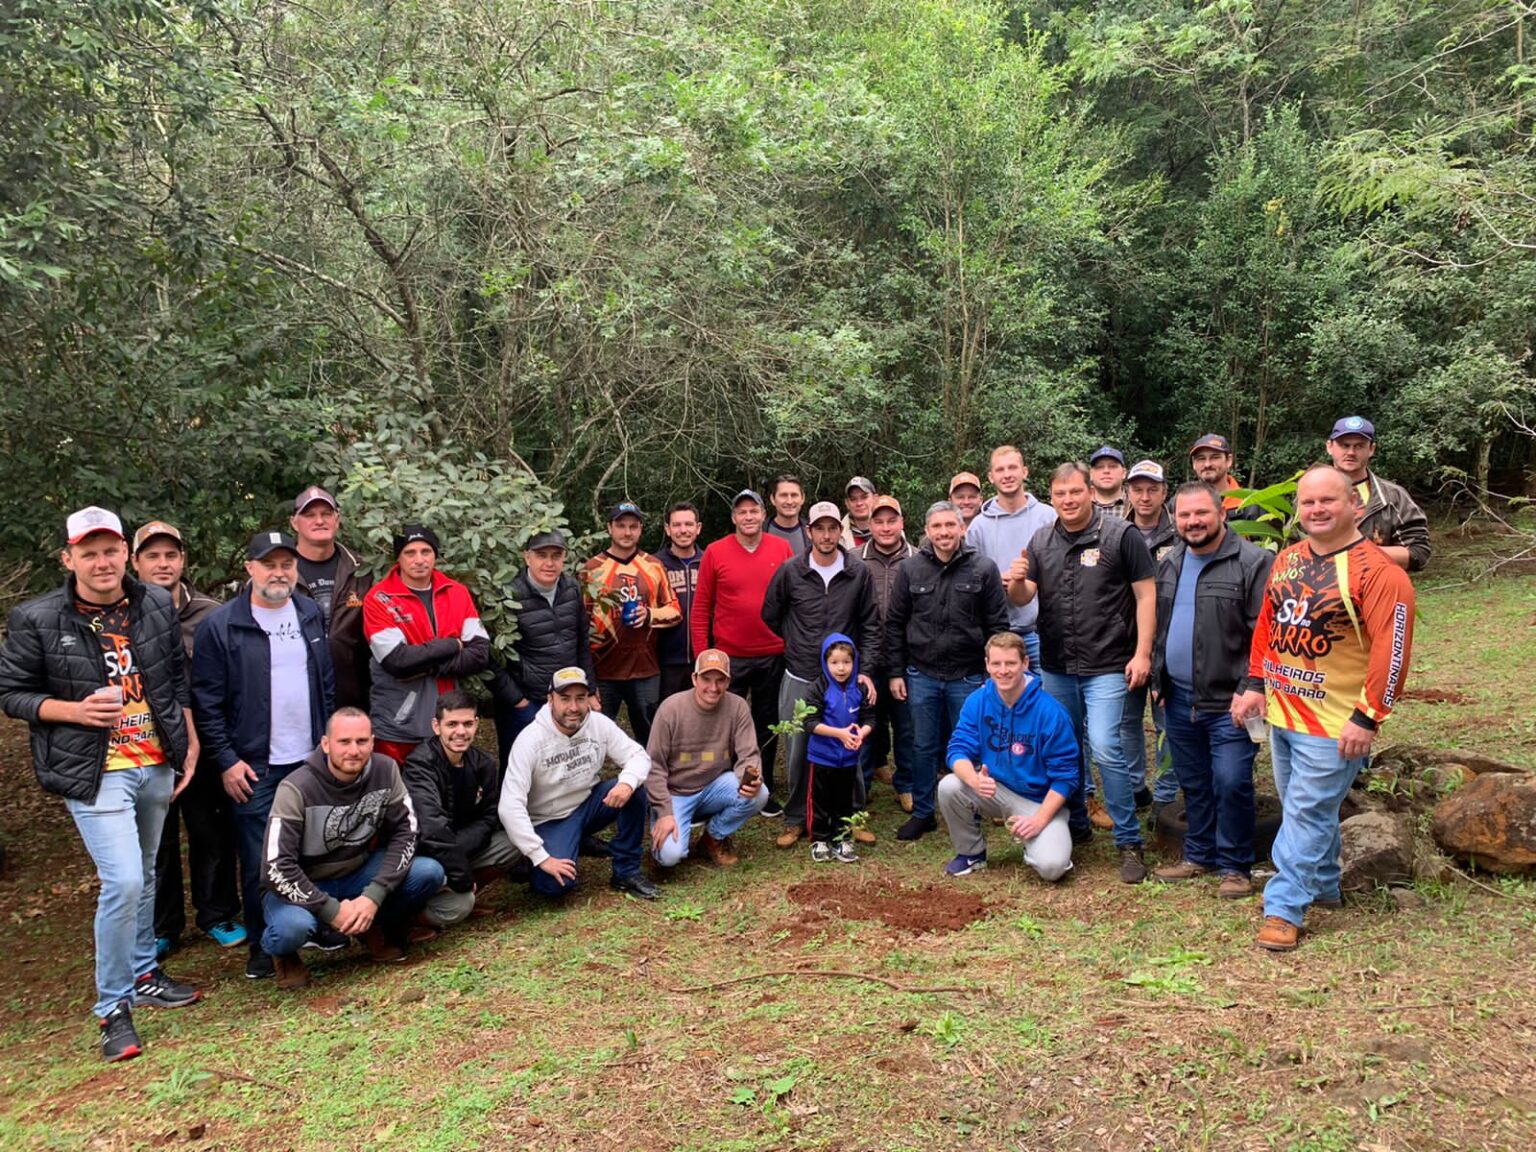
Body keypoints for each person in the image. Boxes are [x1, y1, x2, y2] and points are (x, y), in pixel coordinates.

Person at [0, 507, 200, 1062]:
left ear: (124, 555)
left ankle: (144, 973)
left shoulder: (154, 603)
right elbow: (11, 692)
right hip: (93, 772)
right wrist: (70, 710)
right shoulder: (36, 618)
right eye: (89, 552)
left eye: (110, 549)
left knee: (149, 868)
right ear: (69, 559)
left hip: (155, 760)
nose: (102, 561)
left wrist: (188, 742)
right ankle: (113, 1008)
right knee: (126, 881)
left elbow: (172, 679)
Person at [1236, 467, 1415, 951]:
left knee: (1306, 811)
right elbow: (1268, 628)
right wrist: (1255, 684)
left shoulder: (1380, 572)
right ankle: (1326, 888)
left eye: (1327, 501)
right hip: (1285, 713)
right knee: (1313, 812)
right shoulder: (1289, 559)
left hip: (1336, 724)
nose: (1316, 509)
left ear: (1355, 505)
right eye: (1308, 502)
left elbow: (1390, 652)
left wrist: (1368, 717)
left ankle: (1284, 907)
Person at [192, 530, 335, 981]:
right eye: (269, 564)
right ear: (250, 570)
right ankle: (263, 944)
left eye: (286, 565)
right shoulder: (223, 625)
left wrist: (326, 742)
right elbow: (207, 703)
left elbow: (325, 683)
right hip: (254, 764)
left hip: (309, 757)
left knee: (315, 846)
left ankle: (321, 925)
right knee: (261, 858)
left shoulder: (309, 612)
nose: (279, 573)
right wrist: (227, 760)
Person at [1008, 463, 1157, 882]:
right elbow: (1023, 598)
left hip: (1109, 662)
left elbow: (1146, 596)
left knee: (1106, 745)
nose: (1068, 500)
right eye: (1060, 494)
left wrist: (1143, 653)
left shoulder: (1120, 536)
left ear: (1090, 492)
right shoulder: (1041, 540)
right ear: (1051, 497)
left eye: (1076, 492)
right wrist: (1015, 582)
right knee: (1065, 746)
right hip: (1057, 664)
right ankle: (1076, 822)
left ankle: (1129, 840)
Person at [260, 709, 445, 988]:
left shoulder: (385, 770)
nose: (354, 750)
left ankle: (372, 925)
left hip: (356, 871)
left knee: (428, 872)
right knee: (291, 929)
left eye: (361, 742)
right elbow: (275, 867)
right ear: (326, 744)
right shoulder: (295, 788)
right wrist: (331, 910)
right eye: (344, 742)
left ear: (372, 742)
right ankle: (285, 955)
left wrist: (373, 897)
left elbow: (407, 833)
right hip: (304, 881)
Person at [1149, 483, 1274, 898]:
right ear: (1174, 520)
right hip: (1180, 697)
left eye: (1201, 513)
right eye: (1184, 516)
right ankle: (1198, 853)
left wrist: (1253, 686)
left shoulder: (1253, 562)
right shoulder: (1172, 561)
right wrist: (1159, 678)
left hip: (1232, 701)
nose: (1193, 522)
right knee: (1194, 780)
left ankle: (1235, 865)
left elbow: (1264, 632)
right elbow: (1162, 626)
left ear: (1222, 513)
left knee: (1231, 780)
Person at [131, 520, 241, 957]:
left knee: (211, 832)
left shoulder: (212, 613)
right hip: (144, 745)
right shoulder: (120, 613)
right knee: (154, 841)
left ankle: (217, 913)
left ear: (183, 560)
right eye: (152, 556)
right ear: (134, 561)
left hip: (206, 743)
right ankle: (163, 926)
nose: (163, 564)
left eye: (170, 555)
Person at [884, 501, 1009, 841]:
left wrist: (993, 675)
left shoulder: (983, 569)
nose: (943, 533)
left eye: (949, 526)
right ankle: (924, 813)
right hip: (921, 674)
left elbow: (998, 626)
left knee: (972, 745)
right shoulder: (911, 570)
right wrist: (895, 672)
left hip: (968, 676)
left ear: (961, 528)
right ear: (927, 532)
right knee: (921, 745)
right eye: (937, 527)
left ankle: (977, 807)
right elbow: (894, 624)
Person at [760, 500, 880, 848]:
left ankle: (851, 818)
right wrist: (796, 642)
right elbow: (771, 614)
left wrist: (865, 670)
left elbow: (871, 624)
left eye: (832, 528)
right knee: (798, 749)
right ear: (809, 531)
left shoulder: (857, 572)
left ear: (839, 531)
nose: (826, 535)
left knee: (850, 743)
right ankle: (797, 818)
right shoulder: (790, 570)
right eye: (819, 528)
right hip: (800, 674)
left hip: (844, 679)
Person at [499, 667, 660, 900]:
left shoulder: (598, 724)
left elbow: (638, 756)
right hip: (548, 819)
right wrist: (539, 856)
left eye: (580, 698)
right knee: (555, 885)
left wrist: (627, 782)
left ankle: (626, 871)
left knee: (634, 789)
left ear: (589, 700)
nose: (573, 707)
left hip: (587, 805)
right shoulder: (530, 740)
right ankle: (538, 858)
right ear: (550, 699)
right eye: (565, 699)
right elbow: (509, 806)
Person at [937, 633, 1079, 882]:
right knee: (950, 786)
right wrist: (974, 780)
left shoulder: (1051, 713)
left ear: (1025, 664)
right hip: (996, 789)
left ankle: (1035, 840)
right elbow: (957, 749)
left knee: (1052, 868)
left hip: (1039, 800)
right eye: (996, 664)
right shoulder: (977, 701)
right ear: (987, 664)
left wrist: (1038, 821)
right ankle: (972, 853)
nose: (1003, 671)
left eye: (1010, 663)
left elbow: (1066, 778)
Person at [690, 490, 794, 815]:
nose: (748, 517)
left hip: (772, 652)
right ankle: (722, 787)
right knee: (723, 724)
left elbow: (794, 601)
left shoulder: (782, 548)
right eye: (742, 512)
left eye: (754, 511)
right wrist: (701, 657)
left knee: (766, 721)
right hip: (727, 657)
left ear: (764, 515)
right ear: (733, 518)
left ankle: (761, 786)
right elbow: (701, 607)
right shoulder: (715, 552)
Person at [363, 524, 490, 765]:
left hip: (448, 719)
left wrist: (426, 663)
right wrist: (451, 645)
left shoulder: (457, 592)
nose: (419, 559)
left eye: (426, 552)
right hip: (399, 723)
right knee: (398, 797)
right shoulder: (380, 598)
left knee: (445, 793)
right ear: (398, 558)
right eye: (410, 553)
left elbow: (480, 654)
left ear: (435, 555)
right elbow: (397, 661)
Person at [404, 691, 520, 931]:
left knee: (514, 842)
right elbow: (432, 828)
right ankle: (410, 919)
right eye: (452, 724)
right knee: (459, 904)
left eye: (467, 723)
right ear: (437, 726)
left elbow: (490, 814)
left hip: (462, 845)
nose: (461, 732)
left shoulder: (484, 763)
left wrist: (461, 848)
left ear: (476, 724)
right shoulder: (419, 764)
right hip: (427, 852)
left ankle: (466, 889)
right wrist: (461, 872)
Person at [646, 649, 768, 869]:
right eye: (706, 679)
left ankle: (712, 838)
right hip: (676, 792)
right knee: (670, 857)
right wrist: (664, 811)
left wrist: (751, 778)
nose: (713, 687)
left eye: (720, 680)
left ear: (728, 681)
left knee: (760, 794)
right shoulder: (671, 709)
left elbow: (748, 753)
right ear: (694, 678)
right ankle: (663, 826)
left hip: (714, 785)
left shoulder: (738, 706)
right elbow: (654, 766)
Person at [491, 530, 595, 769]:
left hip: (564, 695)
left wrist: (589, 688)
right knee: (519, 766)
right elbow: (491, 657)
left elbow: (581, 642)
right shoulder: (508, 594)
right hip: (526, 699)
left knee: (565, 765)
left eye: (556, 556)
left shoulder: (571, 588)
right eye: (541, 555)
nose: (549, 563)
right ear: (527, 557)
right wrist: (517, 700)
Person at [582, 501, 680, 747]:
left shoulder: (654, 566)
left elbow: (675, 611)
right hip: (604, 670)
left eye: (633, 526)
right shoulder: (591, 569)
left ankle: (651, 784)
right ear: (609, 528)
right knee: (594, 739)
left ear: (641, 529)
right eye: (621, 526)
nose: (627, 532)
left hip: (645, 668)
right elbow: (580, 622)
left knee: (650, 737)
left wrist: (649, 615)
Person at [965, 444, 1057, 670]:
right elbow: (968, 578)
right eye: (1000, 470)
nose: (1007, 475)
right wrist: (995, 581)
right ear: (991, 477)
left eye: (1012, 468)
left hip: (1042, 632)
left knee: (1043, 701)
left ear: (1024, 472)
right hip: (997, 634)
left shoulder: (1048, 517)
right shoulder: (978, 526)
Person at [1121, 460, 1179, 815]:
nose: (1145, 497)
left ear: (1163, 492)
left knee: (1167, 719)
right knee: (1126, 718)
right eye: (1138, 489)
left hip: (1171, 639)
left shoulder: (1181, 531)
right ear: (1128, 492)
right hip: (1124, 640)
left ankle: (1168, 791)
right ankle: (1134, 786)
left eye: (1152, 489)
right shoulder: (1112, 530)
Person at [855, 495, 917, 810]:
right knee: (866, 725)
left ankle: (905, 784)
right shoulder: (854, 559)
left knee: (906, 727)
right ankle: (861, 785)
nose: (885, 527)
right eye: (878, 521)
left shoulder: (919, 558)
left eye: (891, 520)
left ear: (902, 523)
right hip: (866, 660)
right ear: (870, 524)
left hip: (907, 660)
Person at [289, 486, 373, 708]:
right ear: (294, 523)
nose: (319, 521)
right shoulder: (277, 573)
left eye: (326, 514)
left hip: (355, 698)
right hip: (294, 699)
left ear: (337, 519)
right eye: (309, 515)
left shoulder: (363, 571)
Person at [1324, 416, 1431, 572]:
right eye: (1344, 445)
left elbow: (1419, 553)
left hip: (1377, 590)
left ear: (1371, 449)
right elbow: (1290, 548)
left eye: (1359, 446)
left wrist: (1355, 554)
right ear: (1330, 447)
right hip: (1319, 593)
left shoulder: (1393, 496)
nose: (1351, 452)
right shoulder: (1308, 495)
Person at [803, 634, 874, 863]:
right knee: (821, 800)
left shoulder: (860, 688)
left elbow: (870, 718)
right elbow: (809, 723)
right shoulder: (818, 687)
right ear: (825, 663)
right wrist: (840, 734)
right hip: (822, 757)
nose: (841, 668)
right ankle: (820, 839)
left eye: (846, 662)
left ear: (854, 662)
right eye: (834, 662)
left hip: (849, 758)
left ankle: (842, 838)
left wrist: (860, 733)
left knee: (845, 800)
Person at [657, 502, 704, 700]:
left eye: (688, 524)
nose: (683, 530)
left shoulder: (710, 562)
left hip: (701, 658)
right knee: (667, 718)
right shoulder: (654, 565)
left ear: (698, 528)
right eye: (676, 525)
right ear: (668, 529)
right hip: (665, 661)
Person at [1188, 435, 1260, 522]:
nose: (1207, 464)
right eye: (1201, 459)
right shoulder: (1181, 504)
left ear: (1229, 460)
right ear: (1194, 464)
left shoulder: (1251, 505)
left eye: (1215, 457)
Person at [764, 474, 811, 557]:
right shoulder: (760, 532)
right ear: (773, 499)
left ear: (802, 498)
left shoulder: (813, 534)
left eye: (794, 495)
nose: (789, 501)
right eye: (783, 495)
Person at [1088, 447, 1128, 518]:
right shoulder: (1080, 505)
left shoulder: (1136, 505)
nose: (1106, 471)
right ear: (1091, 474)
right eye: (1100, 467)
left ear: (1124, 473)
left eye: (1112, 466)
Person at [840, 476, 877, 550]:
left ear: (875, 498)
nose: (859, 503)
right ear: (847, 503)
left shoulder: (892, 531)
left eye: (864, 497)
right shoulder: (838, 535)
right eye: (853, 499)